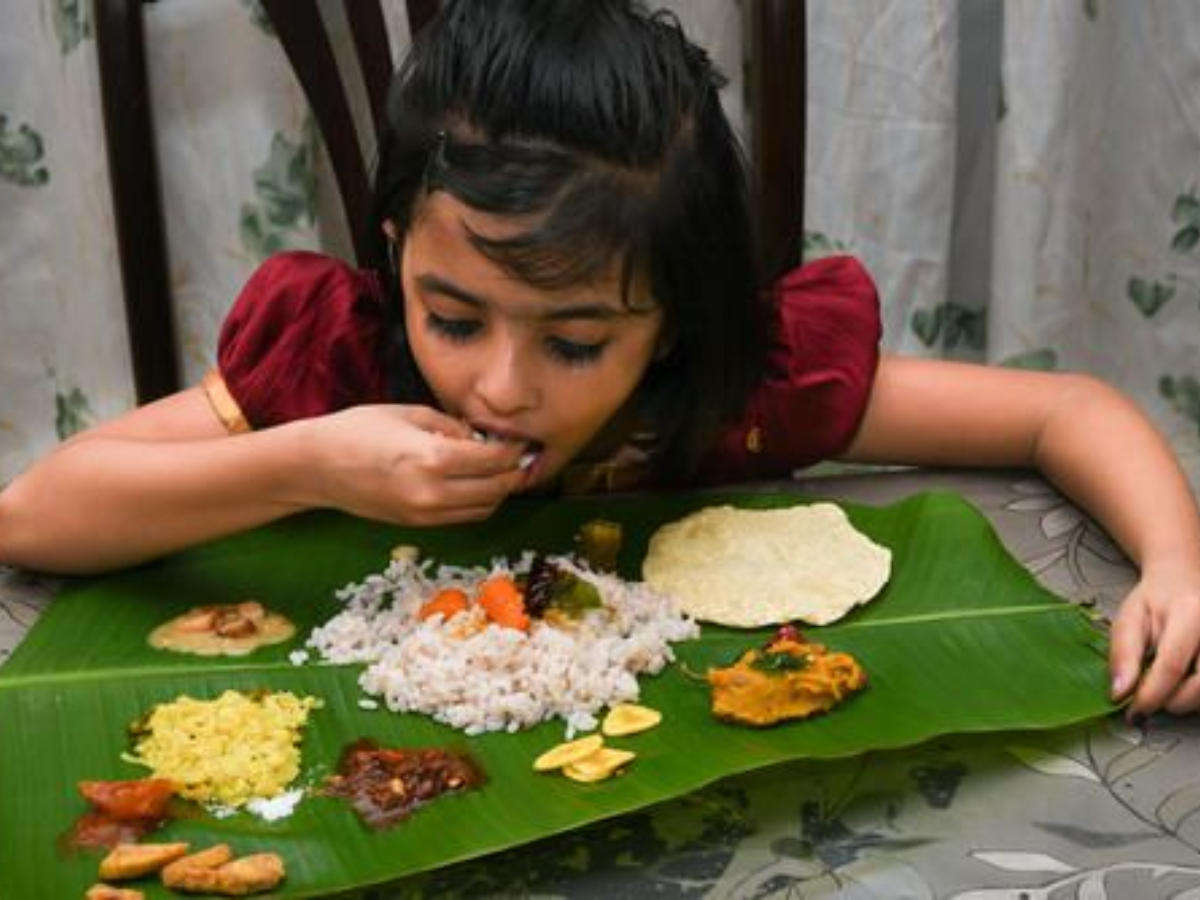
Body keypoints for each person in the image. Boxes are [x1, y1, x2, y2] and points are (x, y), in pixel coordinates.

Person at [0, 0, 1197, 721]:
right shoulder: (340, 365)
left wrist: (1180, 565)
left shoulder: (751, 388)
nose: (502, 384)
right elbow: (36, 514)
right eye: (455, 317)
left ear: (674, 319)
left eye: (575, 341)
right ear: (391, 254)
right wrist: (306, 463)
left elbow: (1061, 414)